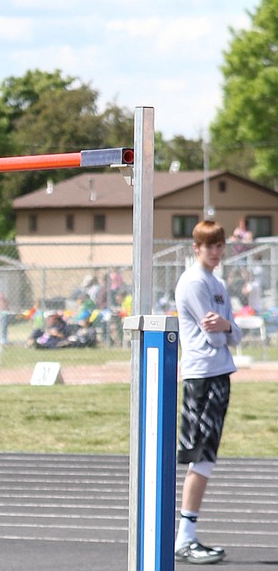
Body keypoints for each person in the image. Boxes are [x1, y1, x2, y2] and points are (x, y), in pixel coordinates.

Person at [173, 220, 241, 565]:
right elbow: (216, 337)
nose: (215, 252)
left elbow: (232, 332)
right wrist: (227, 329)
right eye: (209, 246)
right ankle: (184, 538)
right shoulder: (194, 282)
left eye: (219, 245)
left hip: (219, 373)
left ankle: (187, 534)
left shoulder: (217, 282)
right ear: (195, 248)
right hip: (202, 376)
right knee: (201, 457)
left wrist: (228, 326)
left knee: (207, 457)